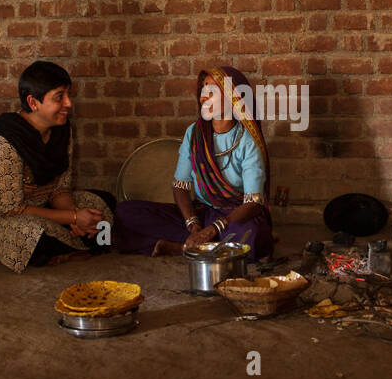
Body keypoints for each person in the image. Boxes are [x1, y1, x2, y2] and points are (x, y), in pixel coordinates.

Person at [0, 60, 114, 273]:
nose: (69, 104)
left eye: (68, 95)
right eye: (59, 97)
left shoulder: (62, 130)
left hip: (41, 206)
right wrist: (74, 218)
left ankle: (70, 243)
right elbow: (12, 209)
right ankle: (70, 246)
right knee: (33, 235)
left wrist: (76, 216)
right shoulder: (2, 142)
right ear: (33, 102)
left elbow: (60, 189)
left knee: (104, 203)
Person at [115, 66, 274, 259]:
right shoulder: (194, 133)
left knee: (252, 236)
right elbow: (180, 186)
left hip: (235, 218)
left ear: (233, 97)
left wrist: (213, 229)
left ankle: (183, 248)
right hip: (202, 213)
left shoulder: (247, 141)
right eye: (202, 91)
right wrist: (194, 225)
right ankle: (198, 245)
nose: (203, 97)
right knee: (125, 213)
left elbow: (254, 203)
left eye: (212, 91)